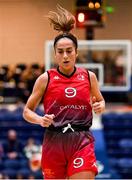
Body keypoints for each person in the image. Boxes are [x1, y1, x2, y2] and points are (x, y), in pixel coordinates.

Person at [23, 4, 105, 179]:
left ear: (76, 52)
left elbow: (100, 100)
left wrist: (100, 106)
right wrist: (40, 120)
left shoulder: (89, 77)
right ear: (55, 54)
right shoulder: (45, 79)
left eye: (69, 51)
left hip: (81, 140)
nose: (65, 55)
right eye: (60, 52)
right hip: (54, 141)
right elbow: (27, 111)